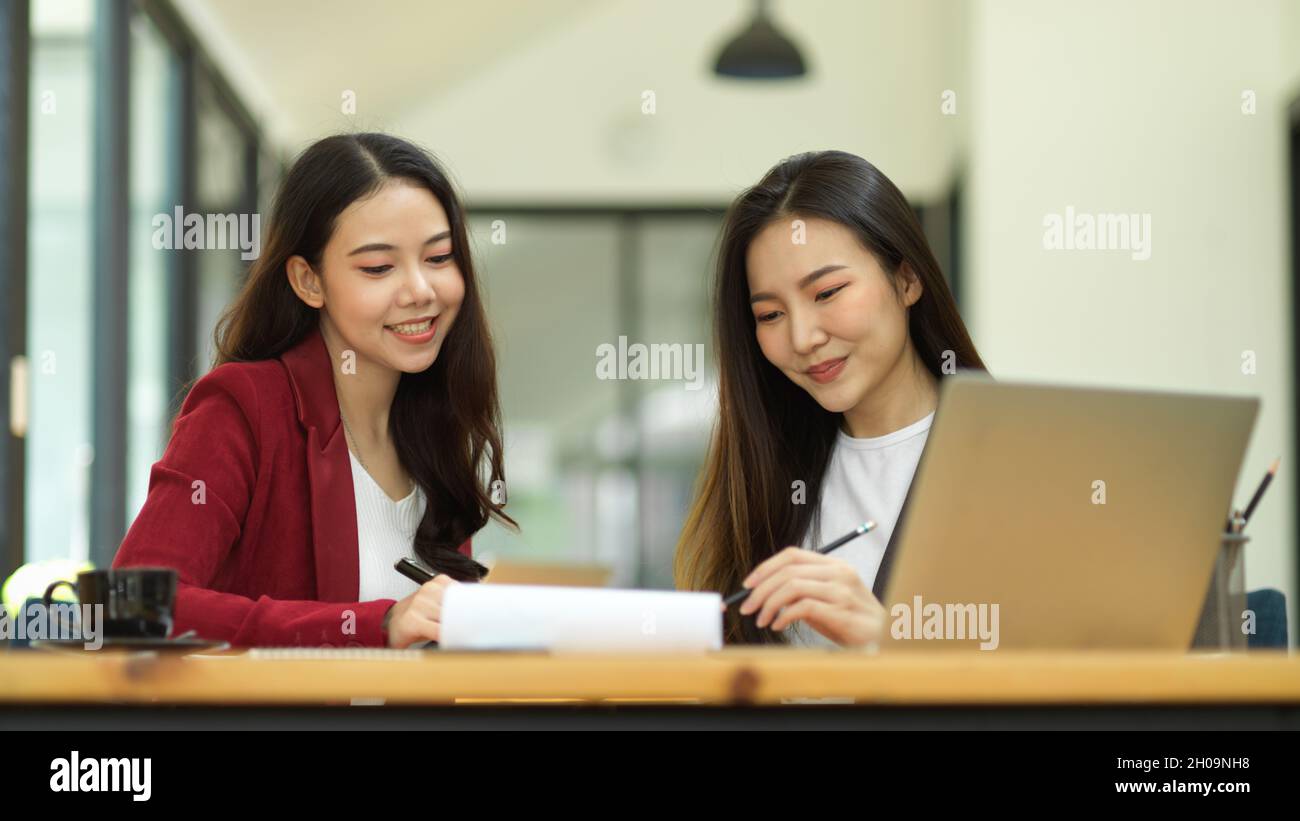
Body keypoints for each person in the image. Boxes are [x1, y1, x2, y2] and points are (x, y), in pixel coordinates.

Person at [113, 133, 513, 648]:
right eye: (378, 267)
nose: (421, 290)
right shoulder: (244, 407)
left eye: (439, 257)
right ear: (309, 281)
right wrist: (379, 623)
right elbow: (133, 604)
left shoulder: (433, 430)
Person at [675, 150, 988, 647]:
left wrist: (886, 646)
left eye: (827, 293)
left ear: (906, 279)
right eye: (771, 315)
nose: (802, 338)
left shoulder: (1012, 460)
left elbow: (1069, 681)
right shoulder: (763, 477)